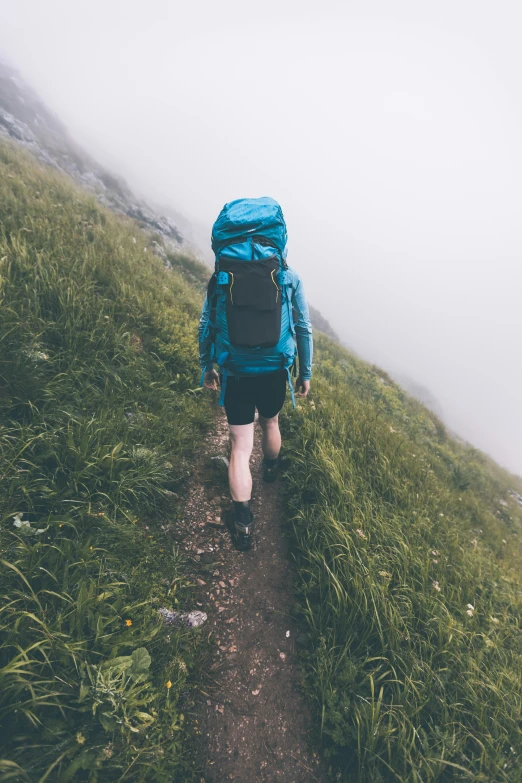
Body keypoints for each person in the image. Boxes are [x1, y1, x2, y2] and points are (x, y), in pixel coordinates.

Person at [198, 197, 313, 552]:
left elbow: (206, 325)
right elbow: (303, 327)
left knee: (239, 446)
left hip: (236, 372)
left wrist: (207, 366)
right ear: (277, 240)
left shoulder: (220, 278)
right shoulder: (288, 277)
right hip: (273, 371)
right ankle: (272, 468)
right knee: (272, 423)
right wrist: (304, 372)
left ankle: (244, 525)